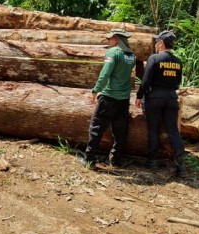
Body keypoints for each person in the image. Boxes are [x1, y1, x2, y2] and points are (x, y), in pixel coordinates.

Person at [78, 29, 136, 169]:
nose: (108, 41)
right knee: (119, 130)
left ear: (116, 39)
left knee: (96, 127)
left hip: (109, 97)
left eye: (110, 39)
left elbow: (105, 74)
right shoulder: (131, 55)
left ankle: (90, 160)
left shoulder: (113, 53)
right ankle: (115, 160)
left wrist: (96, 90)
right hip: (123, 99)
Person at [135, 30, 186, 177]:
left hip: (155, 97)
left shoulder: (154, 58)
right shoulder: (178, 62)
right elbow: (177, 82)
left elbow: (146, 80)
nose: (156, 44)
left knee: (153, 128)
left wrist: (139, 96)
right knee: (172, 130)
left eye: (157, 42)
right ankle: (181, 164)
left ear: (162, 43)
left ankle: (152, 160)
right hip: (171, 98)